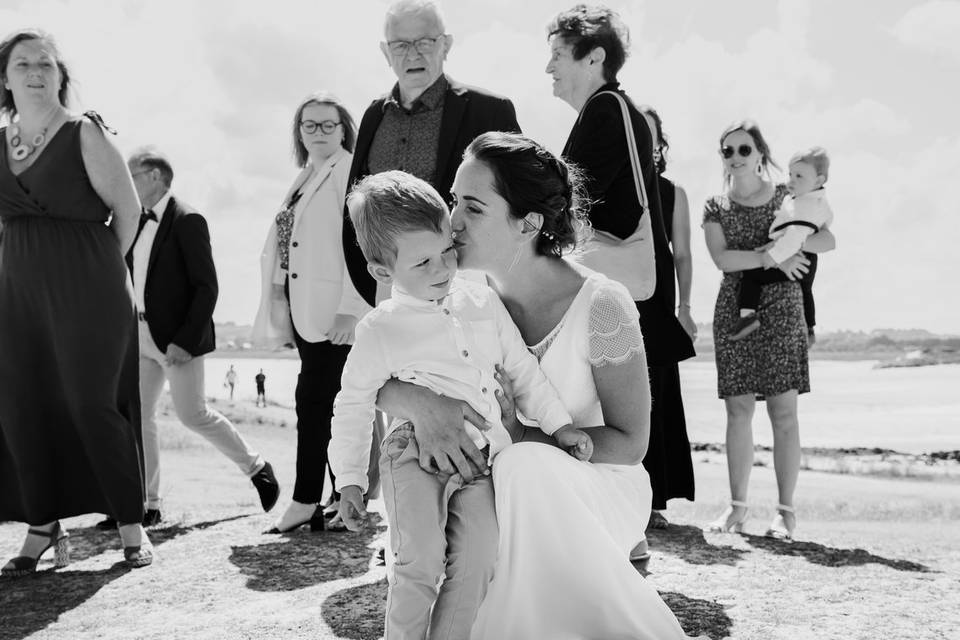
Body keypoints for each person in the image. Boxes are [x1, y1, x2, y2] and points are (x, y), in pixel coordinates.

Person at [378, 132, 704, 639]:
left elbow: (631, 443)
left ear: (527, 223)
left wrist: (526, 436)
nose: (452, 221)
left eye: (473, 207)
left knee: (520, 466)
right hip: (488, 490)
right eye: (452, 201)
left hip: (595, 488)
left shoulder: (602, 304)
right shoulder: (453, 296)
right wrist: (421, 402)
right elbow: (371, 372)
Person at [330, 171, 592, 640]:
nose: (442, 270)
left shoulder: (483, 301)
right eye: (423, 262)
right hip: (411, 455)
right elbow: (352, 404)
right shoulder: (380, 329)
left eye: (447, 251)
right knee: (420, 560)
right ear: (381, 272)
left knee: (478, 558)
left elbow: (521, 368)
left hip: (481, 458)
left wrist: (559, 425)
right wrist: (349, 480)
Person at [0, 29, 151, 572]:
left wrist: (96, 272)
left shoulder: (84, 133)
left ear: (60, 75)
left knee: (93, 403)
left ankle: (131, 524)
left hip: (91, 291)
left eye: (47, 63)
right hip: (17, 296)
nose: (36, 72)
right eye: (23, 64)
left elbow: (128, 212)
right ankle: (43, 526)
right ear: (5, 78)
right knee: (23, 405)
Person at [545, 5, 696, 533]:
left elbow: (583, 202)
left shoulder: (605, 109)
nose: (550, 70)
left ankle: (627, 516)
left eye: (559, 56)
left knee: (619, 408)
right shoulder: (618, 110)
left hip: (627, 283)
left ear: (595, 57)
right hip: (639, 281)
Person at [100, 147, 279, 530]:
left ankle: (258, 468)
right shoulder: (129, 219)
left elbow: (206, 288)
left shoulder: (188, 219)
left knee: (192, 414)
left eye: (130, 174)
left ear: (154, 177)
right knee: (137, 417)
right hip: (139, 333)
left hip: (177, 340)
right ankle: (146, 504)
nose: (124, 181)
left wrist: (183, 340)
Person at [702, 120, 835, 541]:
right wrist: (771, 256)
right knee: (738, 411)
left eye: (744, 149)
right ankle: (737, 508)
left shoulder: (786, 195)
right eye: (728, 150)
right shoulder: (714, 207)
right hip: (733, 312)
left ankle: (785, 513)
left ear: (760, 152)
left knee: (784, 413)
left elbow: (827, 240)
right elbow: (723, 261)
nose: (736, 157)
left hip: (782, 308)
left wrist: (791, 246)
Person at [341, 0, 521, 307]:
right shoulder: (373, 115)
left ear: (446, 45)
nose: (413, 54)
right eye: (401, 45)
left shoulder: (490, 111)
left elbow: (518, 197)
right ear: (386, 53)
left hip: (465, 284)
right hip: (387, 290)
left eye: (425, 42)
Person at [252, 92, 371, 534]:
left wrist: (351, 310)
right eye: (309, 125)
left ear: (344, 130)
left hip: (335, 315)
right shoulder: (306, 176)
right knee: (325, 405)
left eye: (327, 125)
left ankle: (309, 501)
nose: (317, 132)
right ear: (298, 132)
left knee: (322, 405)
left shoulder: (348, 171)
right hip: (306, 312)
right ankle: (338, 501)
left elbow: (359, 244)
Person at [637, 105, 697, 528]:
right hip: (619, 296)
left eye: (650, 133)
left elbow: (685, 255)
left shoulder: (673, 191)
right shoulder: (612, 185)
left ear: (659, 143)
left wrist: (685, 308)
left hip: (659, 300)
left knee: (659, 393)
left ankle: (655, 503)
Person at [730, 146, 833, 341]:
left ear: (818, 180)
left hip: (794, 254)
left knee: (751, 276)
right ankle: (810, 329)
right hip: (805, 256)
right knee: (805, 290)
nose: (792, 180)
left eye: (799, 176)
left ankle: (747, 316)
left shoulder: (806, 205)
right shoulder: (804, 199)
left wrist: (772, 256)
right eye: (791, 174)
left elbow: (796, 235)